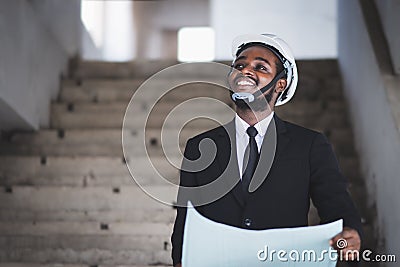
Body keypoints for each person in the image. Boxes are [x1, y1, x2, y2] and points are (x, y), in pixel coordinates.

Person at [171, 34, 362, 267]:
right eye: (239, 65)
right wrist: (181, 259)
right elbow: (186, 218)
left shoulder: (310, 145)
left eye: (260, 67)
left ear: (280, 84)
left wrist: (350, 233)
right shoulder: (198, 146)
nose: (245, 71)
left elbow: (336, 204)